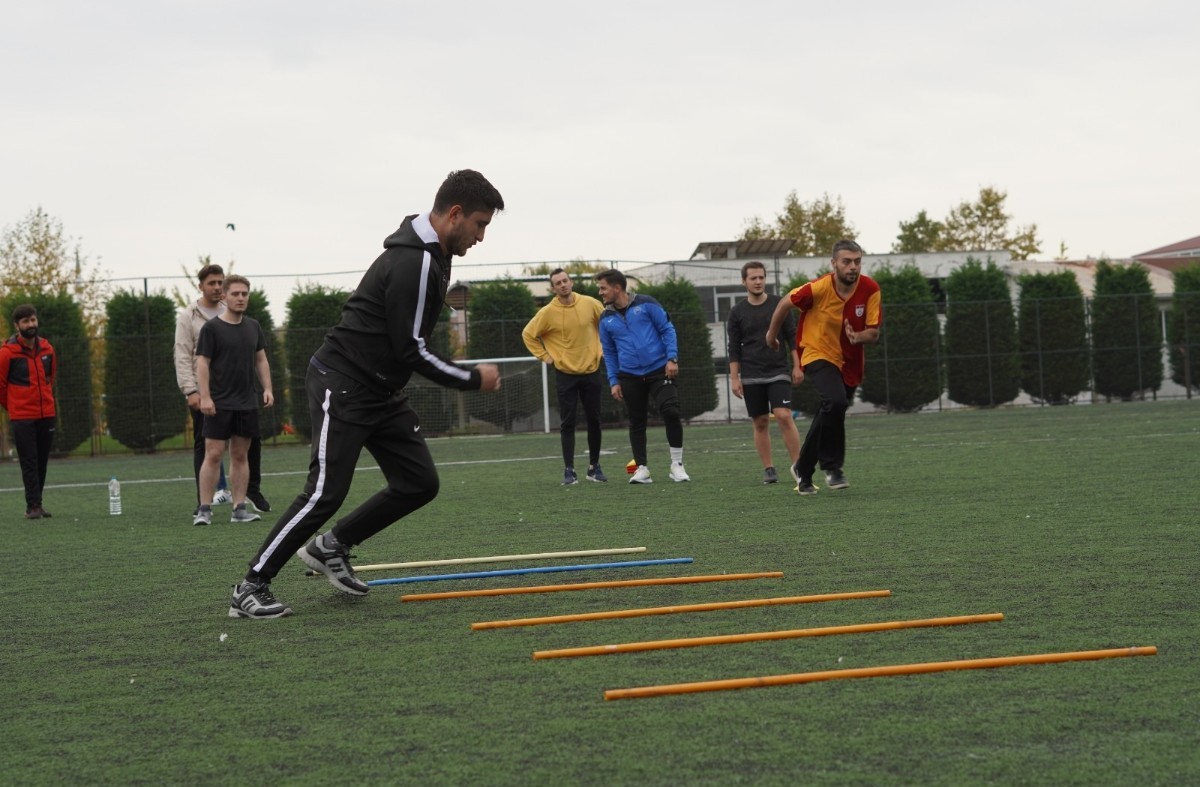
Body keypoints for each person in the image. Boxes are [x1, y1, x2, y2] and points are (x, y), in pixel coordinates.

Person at [227, 169, 505, 619]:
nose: (481, 236)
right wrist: (472, 379)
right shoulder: (414, 261)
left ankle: (330, 547)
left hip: (380, 389)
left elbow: (405, 343)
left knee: (418, 483)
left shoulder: (434, 253)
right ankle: (251, 584)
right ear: (455, 214)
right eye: (479, 224)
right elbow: (411, 348)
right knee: (324, 492)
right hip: (345, 382)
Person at [767, 239, 881, 495]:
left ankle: (803, 469)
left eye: (857, 261)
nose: (853, 267)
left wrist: (858, 336)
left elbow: (873, 334)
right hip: (817, 353)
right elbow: (785, 302)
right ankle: (833, 468)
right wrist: (771, 336)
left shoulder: (871, 289)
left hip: (850, 362)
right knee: (835, 403)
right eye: (847, 261)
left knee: (831, 411)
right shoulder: (818, 288)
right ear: (834, 264)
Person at [174, 263, 272, 514]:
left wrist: (266, 388)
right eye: (212, 283)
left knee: (248, 447)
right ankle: (203, 503)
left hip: (242, 396)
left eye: (220, 283)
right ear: (201, 286)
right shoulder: (190, 317)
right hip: (208, 394)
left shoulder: (242, 319)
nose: (217, 287)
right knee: (208, 449)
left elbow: (259, 357)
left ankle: (248, 493)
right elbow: (185, 355)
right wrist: (192, 391)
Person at [595, 269, 689, 485]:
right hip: (629, 375)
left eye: (603, 288)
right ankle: (642, 469)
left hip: (659, 370)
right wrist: (614, 380)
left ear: (617, 287)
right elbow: (608, 352)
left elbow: (667, 329)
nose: (600, 293)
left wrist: (672, 358)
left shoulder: (647, 303)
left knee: (671, 411)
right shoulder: (605, 318)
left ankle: (677, 465)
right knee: (637, 421)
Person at [522, 268, 607, 485]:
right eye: (558, 283)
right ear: (553, 288)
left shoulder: (590, 304)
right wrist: (546, 357)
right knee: (567, 423)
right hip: (565, 375)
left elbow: (607, 325)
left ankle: (594, 467)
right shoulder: (548, 312)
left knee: (594, 421)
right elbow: (528, 335)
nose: (563, 285)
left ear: (571, 282)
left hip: (591, 371)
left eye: (565, 280)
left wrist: (605, 349)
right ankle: (569, 470)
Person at [728, 261, 803, 485]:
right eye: (753, 278)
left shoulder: (779, 304)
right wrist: (734, 378)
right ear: (744, 282)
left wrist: (798, 366)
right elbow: (733, 347)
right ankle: (769, 469)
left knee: (783, 415)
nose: (758, 281)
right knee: (760, 422)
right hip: (751, 374)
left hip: (778, 371)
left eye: (761, 277)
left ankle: (799, 467)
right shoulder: (737, 312)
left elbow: (792, 336)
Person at [0, 304, 57, 519]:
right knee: (29, 461)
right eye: (25, 321)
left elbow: (50, 378)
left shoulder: (48, 349)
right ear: (17, 326)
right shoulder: (7, 353)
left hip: (46, 414)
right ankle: (32, 506)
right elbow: (1, 386)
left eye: (32, 320)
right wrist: (14, 406)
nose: (30, 324)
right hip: (22, 417)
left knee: (41, 460)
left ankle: (38, 504)